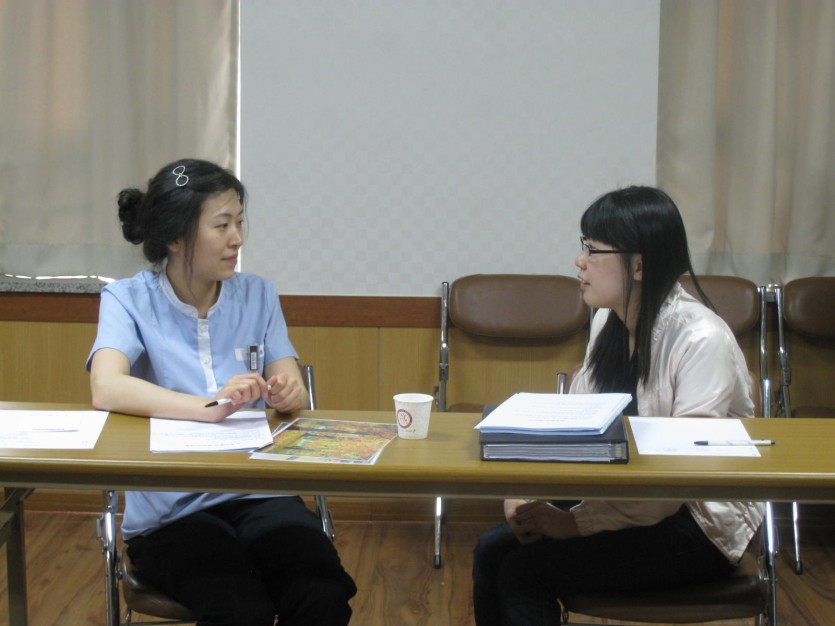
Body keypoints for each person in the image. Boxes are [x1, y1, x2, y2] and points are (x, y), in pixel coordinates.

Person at [471, 186, 764, 625]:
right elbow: (575, 425)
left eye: (593, 249)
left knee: (525, 572)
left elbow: (680, 476)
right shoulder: (608, 320)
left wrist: (574, 523)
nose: (579, 260)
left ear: (639, 264)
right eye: (583, 246)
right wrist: (524, 491)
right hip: (625, 498)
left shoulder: (701, 338)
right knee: (492, 550)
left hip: (697, 523)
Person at [87, 158, 356, 626]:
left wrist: (287, 391)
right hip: (171, 509)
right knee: (239, 608)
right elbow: (106, 385)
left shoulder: (258, 294)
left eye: (240, 222)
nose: (238, 238)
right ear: (175, 238)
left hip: (260, 493)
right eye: (222, 225)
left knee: (320, 592)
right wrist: (206, 407)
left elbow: (291, 383)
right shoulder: (128, 299)